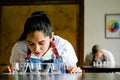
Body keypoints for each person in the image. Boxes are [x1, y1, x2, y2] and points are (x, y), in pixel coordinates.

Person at [9, 11, 82, 73]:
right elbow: (13, 73)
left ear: (51, 36)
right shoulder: (19, 47)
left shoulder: (63, 46)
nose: (36, 49)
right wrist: (7, 72)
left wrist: (75, 72)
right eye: (31, 43)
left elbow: (73, 71)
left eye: (41, 43)